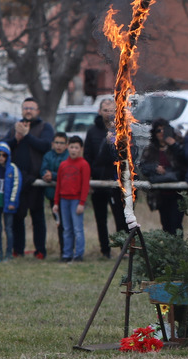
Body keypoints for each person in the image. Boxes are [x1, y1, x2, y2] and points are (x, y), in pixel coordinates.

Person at [3, 97, 53, 259]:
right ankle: (18, 250)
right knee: (18, 217)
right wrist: (16, 138)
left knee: (37, 217)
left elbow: (45, 145)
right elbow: (2, 147)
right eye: (25, 108)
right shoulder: (15, 128)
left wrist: (27, 135)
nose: (28, 111)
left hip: (37, 180)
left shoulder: (45, 127)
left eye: (31, 108)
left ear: (37, 111)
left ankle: (40, 251)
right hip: (17, 180)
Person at [85, 99, 125, 259]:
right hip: (98, 180)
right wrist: (89, 180)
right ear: (99, 112)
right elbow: (87, 157)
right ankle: (105, 251)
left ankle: (123, 250)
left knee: (121, 218)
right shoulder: (93, 132)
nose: (109, 113)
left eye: (111, 110)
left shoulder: (122, 130)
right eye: (105, 110)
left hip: (117, 181)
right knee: (101, 219)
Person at [139, 119, 186, 235]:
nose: (161, 133)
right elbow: (143, 167)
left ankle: (178, 250)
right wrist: (155, 168)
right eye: (158, 130)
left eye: (164, 130)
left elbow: (185, 161)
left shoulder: (178, 144)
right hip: (160, 194)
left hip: (177, 192)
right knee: (166, 224)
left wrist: (173, 145)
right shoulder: (150, 149)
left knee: (176, 224)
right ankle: (167, 252)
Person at [52, 136, 91, 262]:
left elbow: (85, 185)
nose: (73, 150)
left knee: (77, 229)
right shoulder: (63, 165)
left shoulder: (84, 165)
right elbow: (58, 185)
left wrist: (82, 203)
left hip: (76, 201)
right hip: (64, 200)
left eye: (76, 148)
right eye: (71, 147)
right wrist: (56, 202)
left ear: (81, 149)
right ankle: (66, 254)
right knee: (66, 229)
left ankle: (79, 254)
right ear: (68, 148)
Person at [40, 132, 69, 256]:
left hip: (68, 197)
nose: (59, 145)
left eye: (62, 143)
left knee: (68, 226)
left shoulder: (69, 156)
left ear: (66, 145)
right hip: (53, 197)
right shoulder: (48, 155)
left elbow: (67, 173)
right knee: (59, 224)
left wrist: (54, 176)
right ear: (52, 144)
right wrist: (45, 175)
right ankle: (63, 250)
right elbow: (43, 169)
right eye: (56, 142)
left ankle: (68, 251)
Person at [0, 141, 22, 262]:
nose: (1, 157)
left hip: (8, 204)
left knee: (9, 228)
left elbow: (16, 185)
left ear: (8, 156)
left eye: (4, 155)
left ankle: (9, 253)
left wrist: (12, 202)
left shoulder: (13, 168)